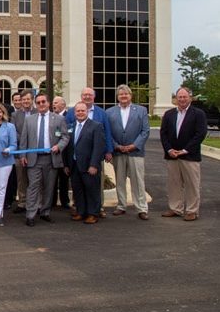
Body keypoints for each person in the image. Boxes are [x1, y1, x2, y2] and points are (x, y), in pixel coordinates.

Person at [19, 92, 69, 226]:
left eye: (43, 102)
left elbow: (65, 137)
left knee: (49, 187)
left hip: (51, 158)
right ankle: (30, 214)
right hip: (33, 159)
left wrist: (58, 147)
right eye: (38, 102)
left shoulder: (58, 119)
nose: (41, 104)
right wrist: (23, 155)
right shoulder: (29, 120)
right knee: (33, 187)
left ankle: (45, 212)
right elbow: (24, 139)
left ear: (48, 103)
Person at [159, 87, 208, 221]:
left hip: (190, 156)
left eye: (184, 97)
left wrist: (185, 150)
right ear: (176, 99)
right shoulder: (169, 114)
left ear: (190, 98)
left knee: (192, 184)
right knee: (174, 184)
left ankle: (192, 211)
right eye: (179, 97)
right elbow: (163, 134)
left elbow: (200, 134)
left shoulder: (198, 114)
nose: (181, 99)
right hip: (172, 155)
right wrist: (169, 150)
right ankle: (175, 208)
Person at [66, 87, 114, 216]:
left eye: (83, 111)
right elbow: (68, 143)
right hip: (75, 163)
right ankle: (81, 211)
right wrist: (67, 164)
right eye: (78, 111)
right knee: (78, 189)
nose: (80, 113)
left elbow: (101, 143)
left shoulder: (98, 120)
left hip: (90, 162)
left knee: (92, 188)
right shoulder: (72, 123)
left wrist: (95, 163)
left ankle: (94, 213)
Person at [106, 84, 151, 220]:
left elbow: (145, 131)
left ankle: (141, 208)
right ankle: (121, 205)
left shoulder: (141, 110)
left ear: (130, 96)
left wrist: (134, 145)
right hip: (118, 152)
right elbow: (108, 133)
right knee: (120, 180)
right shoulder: (109, 112)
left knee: (138, 181)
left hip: (135, 152)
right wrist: (116, 146)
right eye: (121, 94)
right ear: (117, 97)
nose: (123, 96)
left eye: (126, 94)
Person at [10, 89, 35, 213]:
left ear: (32, 100)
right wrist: (26, 139)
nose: (25, 101)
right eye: (23, 99)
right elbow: (13, 132)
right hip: (20, 151)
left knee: (35, 179)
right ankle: (22, 202)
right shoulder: (15, 115)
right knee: (21, 178)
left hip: (36, 151)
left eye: (27, 99)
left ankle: (35, 203)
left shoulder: (37, 112)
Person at [52, 96, 71, 209]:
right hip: (53, 152)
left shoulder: (68, 117)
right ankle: (52, 201)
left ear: (63, 105)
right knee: (52, 179)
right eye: (53, 103)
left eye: (56, 103)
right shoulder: (51, 116)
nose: (54, 105)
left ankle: (65, 201)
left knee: (64, 178)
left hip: (64, 152)